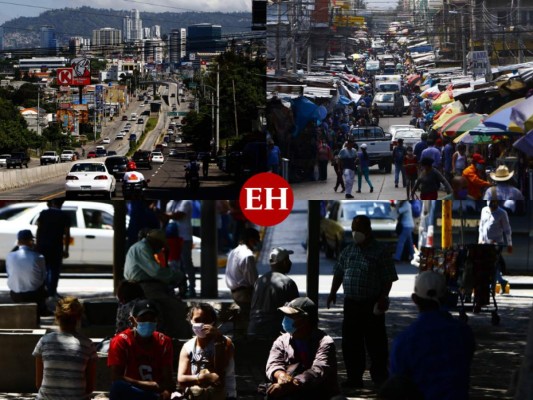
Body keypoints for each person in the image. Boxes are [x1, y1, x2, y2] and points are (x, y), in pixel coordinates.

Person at [327, 215, 398, 388]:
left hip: (371, 305)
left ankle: (379, 377)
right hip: (352, 304)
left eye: (358, 229)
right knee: (351, 343)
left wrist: (383, 297)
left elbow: (387, 278)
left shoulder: (380, 251)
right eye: (353, 228)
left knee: (376, 343)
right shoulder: (349, 250)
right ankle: (354, 378)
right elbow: (339, 272)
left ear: (368, 230)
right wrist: (332, 292)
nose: (355, 232)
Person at [380, 271, 475, 400]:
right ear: (446, 296)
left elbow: (397, 381)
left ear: (415, 299)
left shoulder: (405, 340)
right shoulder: (463, 332)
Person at [265, 297, 340, 399]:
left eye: (291, 316)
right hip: (288, 391)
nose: (286, 319)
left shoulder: (325, 342)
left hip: (319, 393)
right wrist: (281, 375)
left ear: (305, 320)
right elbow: (273, 363)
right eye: (286, 316)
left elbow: (317, 371)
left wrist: (293, 383)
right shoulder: (282, 341)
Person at [124, 229, 187, 338]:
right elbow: (156, 271)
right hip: (145, 287)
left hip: (148, 285)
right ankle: (179, 338)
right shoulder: (142, 248)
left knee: (174, 303)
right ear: (155, 242)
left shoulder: (143, 248)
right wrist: (177, 275)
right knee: (177, 308)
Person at [108, 299, 175, 400]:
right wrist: (151, 385)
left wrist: (165, 390)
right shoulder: (121, 341)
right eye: (143, 319)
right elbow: (116, 377)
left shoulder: (164, 341)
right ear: (132, 320)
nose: (148, 323)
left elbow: (167, 380)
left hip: (156, 392)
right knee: (117, 387)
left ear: (157, 321)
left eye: (152, 319)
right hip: (133, 392)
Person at [33, 296, 97, 400]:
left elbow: (38, 384)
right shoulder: (88, 345)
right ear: (79, 318)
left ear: (57, 317)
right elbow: (89, 388)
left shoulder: (44, 341)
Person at [177, 303, 236, 400]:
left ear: (213, 322)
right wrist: (204, 377)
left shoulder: (225, 342)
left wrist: (218, 340)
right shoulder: (188, 347)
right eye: (197, 320)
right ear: (191, 321)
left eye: (206, 321)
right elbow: (181, 379)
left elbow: (219, 373)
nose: (201, 324)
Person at [248, 247, 299, 340]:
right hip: (274, 333)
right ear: (284, 262)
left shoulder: (259, 281)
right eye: (288, 259)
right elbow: (295, 312)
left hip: (253, 330)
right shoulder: (288, 283)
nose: (290, 263)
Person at [225, 227, 261, 336]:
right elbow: (253, 281)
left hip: (235, 293)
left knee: (243, 323)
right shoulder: (248, 255)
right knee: (250, 324)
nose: (256, 244)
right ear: (251, 240)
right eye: (256, 241)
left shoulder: (234, 251)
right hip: (245, 294)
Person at [6, 229, 48, 316]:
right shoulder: (39, 257)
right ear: (31, 241)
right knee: (42, 285)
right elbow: (43, 276)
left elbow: (9, 274)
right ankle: (42, 310)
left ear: (18, 242)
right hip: (33, 295)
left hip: (15, 294)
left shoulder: (9, 256)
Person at [36, 199, 71, 298]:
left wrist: (37, 245)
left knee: (44, 270)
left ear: (51, 203)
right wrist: (66, 250)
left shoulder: (43, 214)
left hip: (43, 246)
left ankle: (45, 290)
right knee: (55, 270)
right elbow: (67, 234)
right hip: (57, 247)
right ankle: (52, 292)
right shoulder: (65, 216)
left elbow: (38, 230)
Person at [478, 201, 513, 290]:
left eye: (494, 207)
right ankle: (501, 282)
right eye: (490, 206)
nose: (492, 209)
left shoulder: (502, 213)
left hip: (496, 244)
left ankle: (493, 285)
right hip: (484, 243)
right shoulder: (484, 210)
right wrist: (480, 239)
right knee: (488, 265)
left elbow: (507, 229)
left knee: (492, 264)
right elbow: (481, 226)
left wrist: (509, 244)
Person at [166, 200, 196, 298]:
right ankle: (181, 288)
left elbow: (179, 215)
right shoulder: (170, 203)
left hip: (185, 237)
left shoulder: (186, 202)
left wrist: (165, 214)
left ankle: (192, 288)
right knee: (175, 264)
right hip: (173, 238)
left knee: (186, 263)